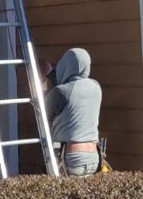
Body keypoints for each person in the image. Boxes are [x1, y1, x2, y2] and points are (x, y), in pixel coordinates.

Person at [42, 48, 102, 176]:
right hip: (94, 157)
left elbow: (42, 113)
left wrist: (44, 91)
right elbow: (72, 90)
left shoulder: (60, 92)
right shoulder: (96, 87)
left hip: (72, 158)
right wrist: (50, 73)